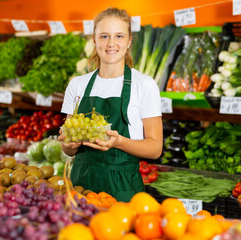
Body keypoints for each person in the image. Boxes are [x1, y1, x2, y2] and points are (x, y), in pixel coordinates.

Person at [59, 7, 163, 202]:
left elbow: (155, 148)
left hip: (123, 189)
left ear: (129, 40)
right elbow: (68, 149)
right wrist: (68, 144)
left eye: (119, 36)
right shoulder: (77, 85)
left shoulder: (144, 85)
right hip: (80, 186)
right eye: (104, 36)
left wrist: (118, 142)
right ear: (94, 40)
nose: (111, 43)